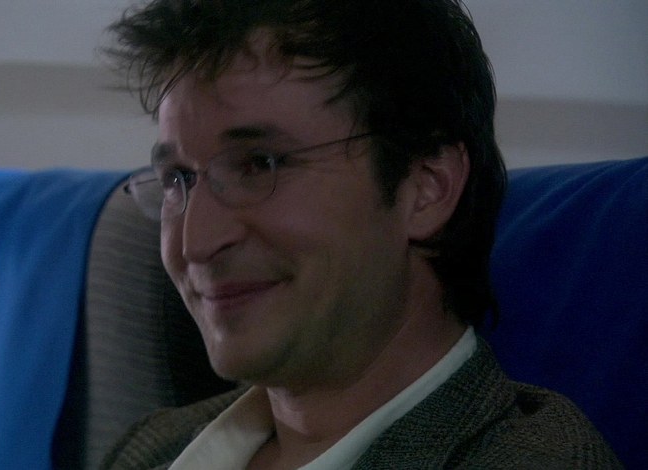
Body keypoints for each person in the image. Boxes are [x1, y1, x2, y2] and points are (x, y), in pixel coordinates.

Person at [102, 0, 621, 468]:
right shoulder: (152, 448)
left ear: (427, 187)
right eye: (177, 179)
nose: (195, 244)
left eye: (259, 164)